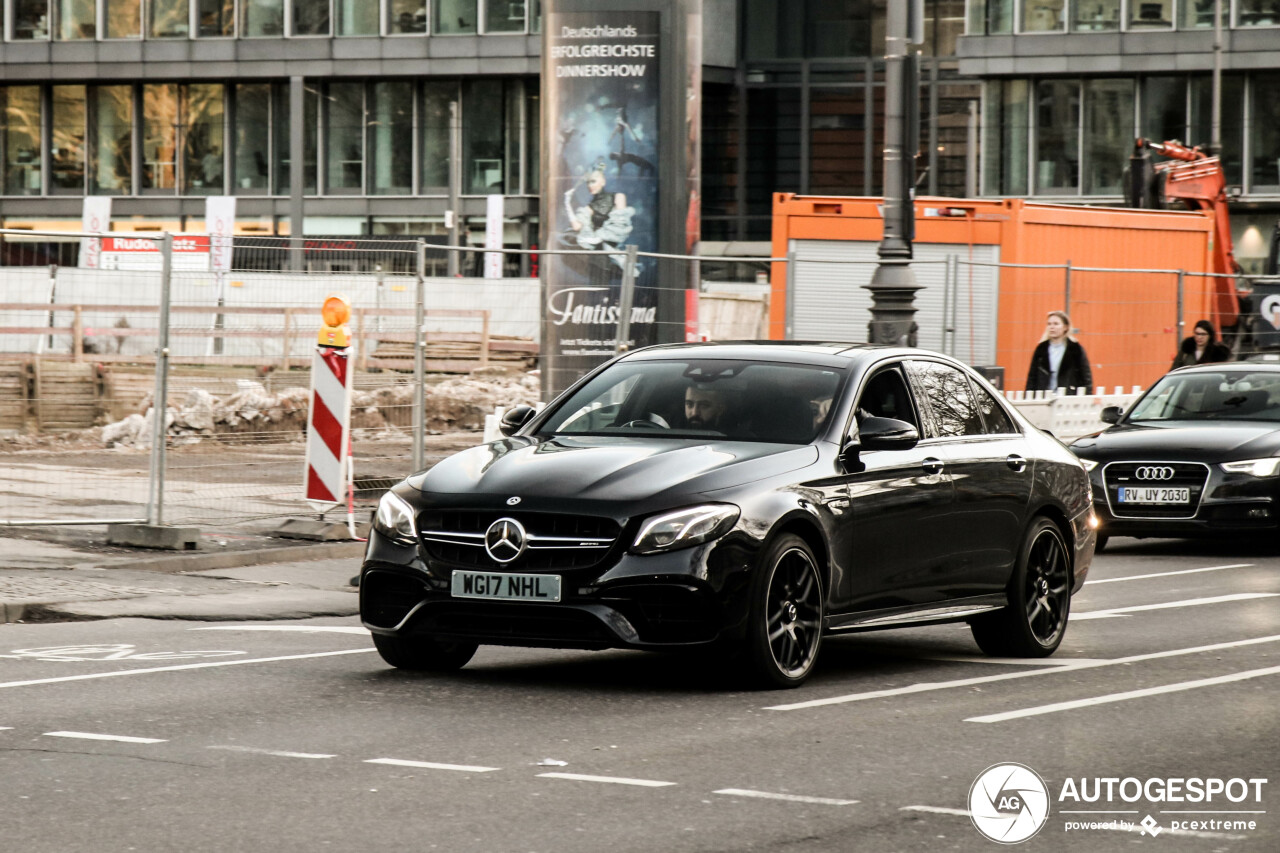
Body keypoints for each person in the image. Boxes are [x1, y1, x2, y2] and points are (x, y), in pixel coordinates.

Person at [1025, 310, 1093, 393]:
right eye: (1049, 324)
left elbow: (1086, 378)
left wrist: (1086, 396)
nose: (1052, 327)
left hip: (1067, 398)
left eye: (1056, 324)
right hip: (1044, 397)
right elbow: (1032, 377)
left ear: (1065, 327)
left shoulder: (1075, 349)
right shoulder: (1041, 349)